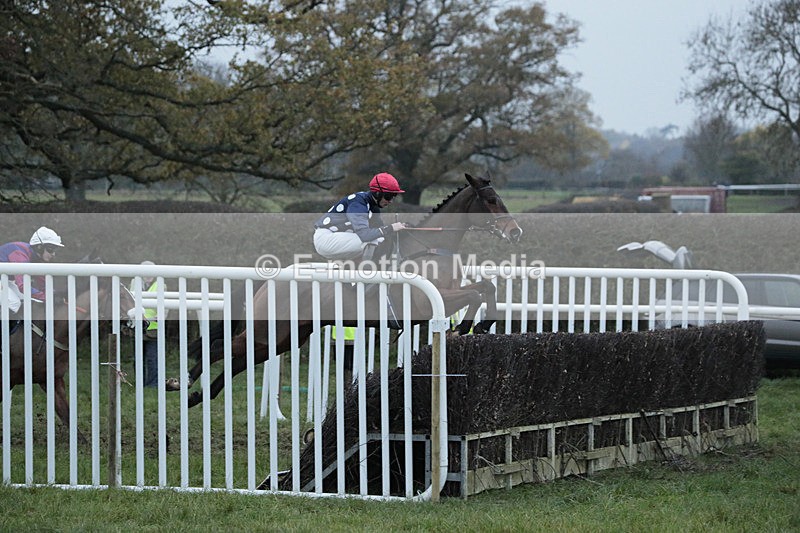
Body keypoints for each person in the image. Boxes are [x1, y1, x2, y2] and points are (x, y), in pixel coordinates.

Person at [313, 172, 407, 261]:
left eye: (394, 196)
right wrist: (391, 228)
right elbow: (365, 235)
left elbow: (380, 231)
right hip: (325, 239)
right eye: (388, 196)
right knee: (372, 240)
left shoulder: (373, 207)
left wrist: (398, 229)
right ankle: (367, 270)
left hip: (338, 238)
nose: (391, 201)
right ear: (377, 193)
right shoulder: (358, 204)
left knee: (380, 239)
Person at [0, 226, 64, 314]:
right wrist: (47, 297)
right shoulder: (19, 253)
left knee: (26, 299)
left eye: (54, 250)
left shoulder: (36, 258)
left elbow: (43, 284)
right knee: (13, 303)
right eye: (50, 250)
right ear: (39, 247)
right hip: (3, 280)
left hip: (4, 280)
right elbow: (23, 286)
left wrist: (54, 294)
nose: (53, 254)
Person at [130, 260, 166, 388]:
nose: (149, 275)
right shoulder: (134, 283)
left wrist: (160, 317)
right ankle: (140, 383)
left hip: (153, 327)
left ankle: (153, 384)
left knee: (152, 358)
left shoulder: (160, 284)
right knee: (137, 358)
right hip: (137, 326)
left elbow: (164, 306)